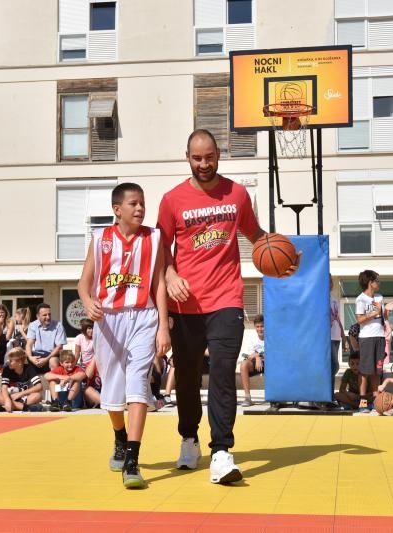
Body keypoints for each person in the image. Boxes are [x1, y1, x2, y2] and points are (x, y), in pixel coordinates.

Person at [156, 129, 297, 485]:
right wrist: (171, 275)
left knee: (221, 373)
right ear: (187, 157)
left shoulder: (236, 194)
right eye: (197, 158)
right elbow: (161, 251)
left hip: (226, 299)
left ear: (219, 154)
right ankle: (189, 437)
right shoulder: (172, 200)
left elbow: (255, 235)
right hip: (185, 304)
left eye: (210, 157)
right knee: (187, 378)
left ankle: (221, 451)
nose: (204, 164)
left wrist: (282, 257)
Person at [78, 182, 170, 489]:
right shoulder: (100, 238)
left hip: (144, 316)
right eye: (134, 203)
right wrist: (88, 301)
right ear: (117, 210)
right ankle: (119, 436)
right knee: (113, 395)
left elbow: (159, 283)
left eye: (143, 203)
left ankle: (132, 459)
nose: (141, 208)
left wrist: (164, 326)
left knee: (138, 384)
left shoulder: (154, 238)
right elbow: (84, 282)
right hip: (109, 320)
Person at [355, 270, 393, 412]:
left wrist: (387, 312)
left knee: (377, 371)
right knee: (365, 371)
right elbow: (359, 320)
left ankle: (376, 403)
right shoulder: (361, 299)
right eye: (377, 280)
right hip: (367, 338)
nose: (379, 283)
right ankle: (363, 404)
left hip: (380, 337)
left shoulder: (379, 297)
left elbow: (381, 318)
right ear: (370, 282)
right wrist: (375, 313)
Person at [0, 347, 43, 413]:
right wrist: (7, 400)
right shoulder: (7, 370)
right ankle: (24, 408)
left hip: (24, 397)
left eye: (11, 361)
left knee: (38, 396)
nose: (8, 362)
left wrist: (20, 394)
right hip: (10, 397)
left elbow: (39, 386)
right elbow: (4, 388)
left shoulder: (29, 369)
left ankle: (7, 406)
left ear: (19, 362)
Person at [25, 303, 66, 374]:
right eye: (45, 315)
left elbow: (59, 347)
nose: (48, 317)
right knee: (21, 358)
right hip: (37, 355)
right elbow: (29, 344)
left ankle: (54, 383)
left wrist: (46, 359)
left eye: (49, 314)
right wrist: (30, 357)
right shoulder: (33, 325)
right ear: (38, 316)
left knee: (53, 361)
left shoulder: (58, 325)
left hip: (52, 355)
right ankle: (22, 383)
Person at [239, 314, 265, 407]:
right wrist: (257, 358)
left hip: (270, 363)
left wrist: (258, 355)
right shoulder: (252, 338)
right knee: (243, 364)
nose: (260, 329)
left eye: (262, 326)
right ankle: (247, 397)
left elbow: (274, 352)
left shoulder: (271, 337)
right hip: (255, 364)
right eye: (257, 327)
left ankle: (276, 397)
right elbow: (248, 356)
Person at [330, 278, 349, 378]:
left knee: (333, 366)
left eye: (331, 281)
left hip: (336, 337)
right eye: (328, 281)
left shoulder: (334, 299)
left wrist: (344, 337)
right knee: (333, 366)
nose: (331, 284)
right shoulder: (320, 298)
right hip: (327, 338)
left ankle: (331, 391)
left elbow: (338, 319)